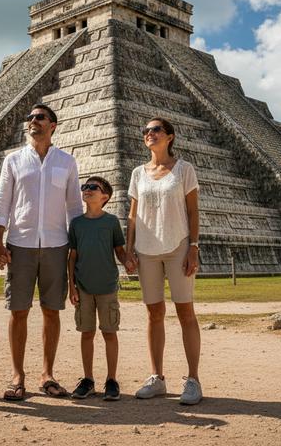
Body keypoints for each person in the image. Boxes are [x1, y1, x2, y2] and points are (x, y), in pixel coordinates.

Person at [0, 103, 83, 401]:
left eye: (40, 117)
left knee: (51, 311)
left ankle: (47, 374)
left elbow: (74, 208)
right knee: (18, 310)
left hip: (56, 243)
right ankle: (17, 375)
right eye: (30, 118)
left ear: (53, 125)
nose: (33, 121)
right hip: (21, 243)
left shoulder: (66, 162)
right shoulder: (13, 160)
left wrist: (76, 248)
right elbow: (2, 202)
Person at [125, 117, 203, 405]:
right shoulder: (137, 173)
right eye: (145, 130)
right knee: (154, 313)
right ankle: (157, 377)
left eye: (156, 129)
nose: (149, 134)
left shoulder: (184, 169)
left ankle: (193, 379)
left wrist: (193, 247)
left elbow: (193, 212)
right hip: (146, 249)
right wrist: (129, 249)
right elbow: (133, 215)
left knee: (185, 313)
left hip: (178, 245)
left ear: (170, 136)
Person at [67, 176, 127, 401]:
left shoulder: (111, 222)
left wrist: (129, 260)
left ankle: (112, 379)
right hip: (83, 287)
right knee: (86, 333)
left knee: (109, 333)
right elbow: (72, 257)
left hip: (107, 286)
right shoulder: (76, 223)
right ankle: (88, 379)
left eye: (94, 187)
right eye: (85, 187)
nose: (87, 190)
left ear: (105, 197)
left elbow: (119, 251)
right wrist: (71, 285)